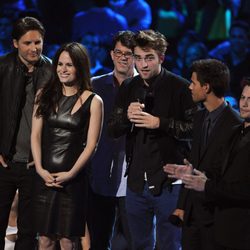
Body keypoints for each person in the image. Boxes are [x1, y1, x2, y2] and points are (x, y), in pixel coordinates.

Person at [108, 30, 196, 250]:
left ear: (161, 58)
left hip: (170, 182)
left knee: (169, 244)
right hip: (136, 182)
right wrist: (127, 118)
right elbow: (112, 130)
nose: (143, 65)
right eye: (138, 58)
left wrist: (160, 123)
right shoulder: (128, 86)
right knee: (139, 244)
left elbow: (195, 129)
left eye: (149, 58)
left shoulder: (181, 87)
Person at [31, 42, 103, 250]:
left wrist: (71, 174)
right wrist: (39, 169)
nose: (62, 69)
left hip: (73, 181)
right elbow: (35, 135)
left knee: (67, 240)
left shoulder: (94, 101)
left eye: (69, 65)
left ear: (79, 67)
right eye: (60, 64)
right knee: (44, 239)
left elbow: (92, 145)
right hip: (43, 177)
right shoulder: (43, 95)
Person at [164, 59, 242, 250]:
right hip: (192, 216)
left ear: (206, 87)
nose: (190, 87)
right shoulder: (199, 117)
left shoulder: (235, 125)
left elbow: (232, 175)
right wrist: (182, 205)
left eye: (193, 82)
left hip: (216, 217)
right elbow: (194, 162)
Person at [179, 77, 250, 250]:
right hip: (221, 226)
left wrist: (207, 186)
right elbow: (219, 169)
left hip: (243, 230)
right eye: (243, 98)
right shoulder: (236, 131)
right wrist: (193, 173)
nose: (245, 104)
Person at [0, 16, 52, 250]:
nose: (34, 48)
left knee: (28, 232)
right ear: (14, 43)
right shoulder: (3, 67)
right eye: (27, 43)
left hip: (34, 165)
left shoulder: (52, 70)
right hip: (5, 162)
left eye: (38, 42)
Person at [88, 30, 136, 250]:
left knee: (135, 241)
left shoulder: (148, 87)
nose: (123, 57)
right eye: (119, 52)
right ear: (111, 54)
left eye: (129, 53)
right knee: (99, 239)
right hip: (99, 175)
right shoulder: (94, 86)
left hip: (135, 177)